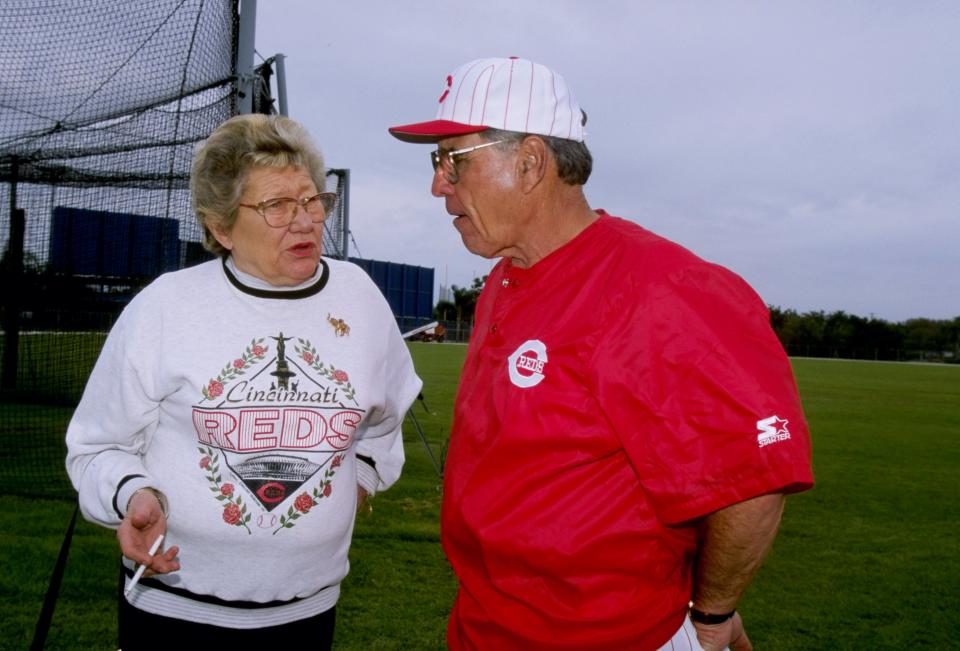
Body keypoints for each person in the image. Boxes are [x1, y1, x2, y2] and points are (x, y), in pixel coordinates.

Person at [389, 57, 813, 651]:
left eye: (452, 160)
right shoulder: (507, 276)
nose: (438, 183)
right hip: (485, 625)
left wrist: (713, 615)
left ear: (531, 162)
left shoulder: (660, 289)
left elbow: (755, 475)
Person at [66, 114, 422, 648]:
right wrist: (133, 493)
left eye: (311, 200)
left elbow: (387, 415)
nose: (304, 221)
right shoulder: (167, 305)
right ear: (221, 226)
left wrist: (363, 476)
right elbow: (96, 447)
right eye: (276, 206)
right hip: (173, 609)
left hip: (308, 612)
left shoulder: (360, 299)